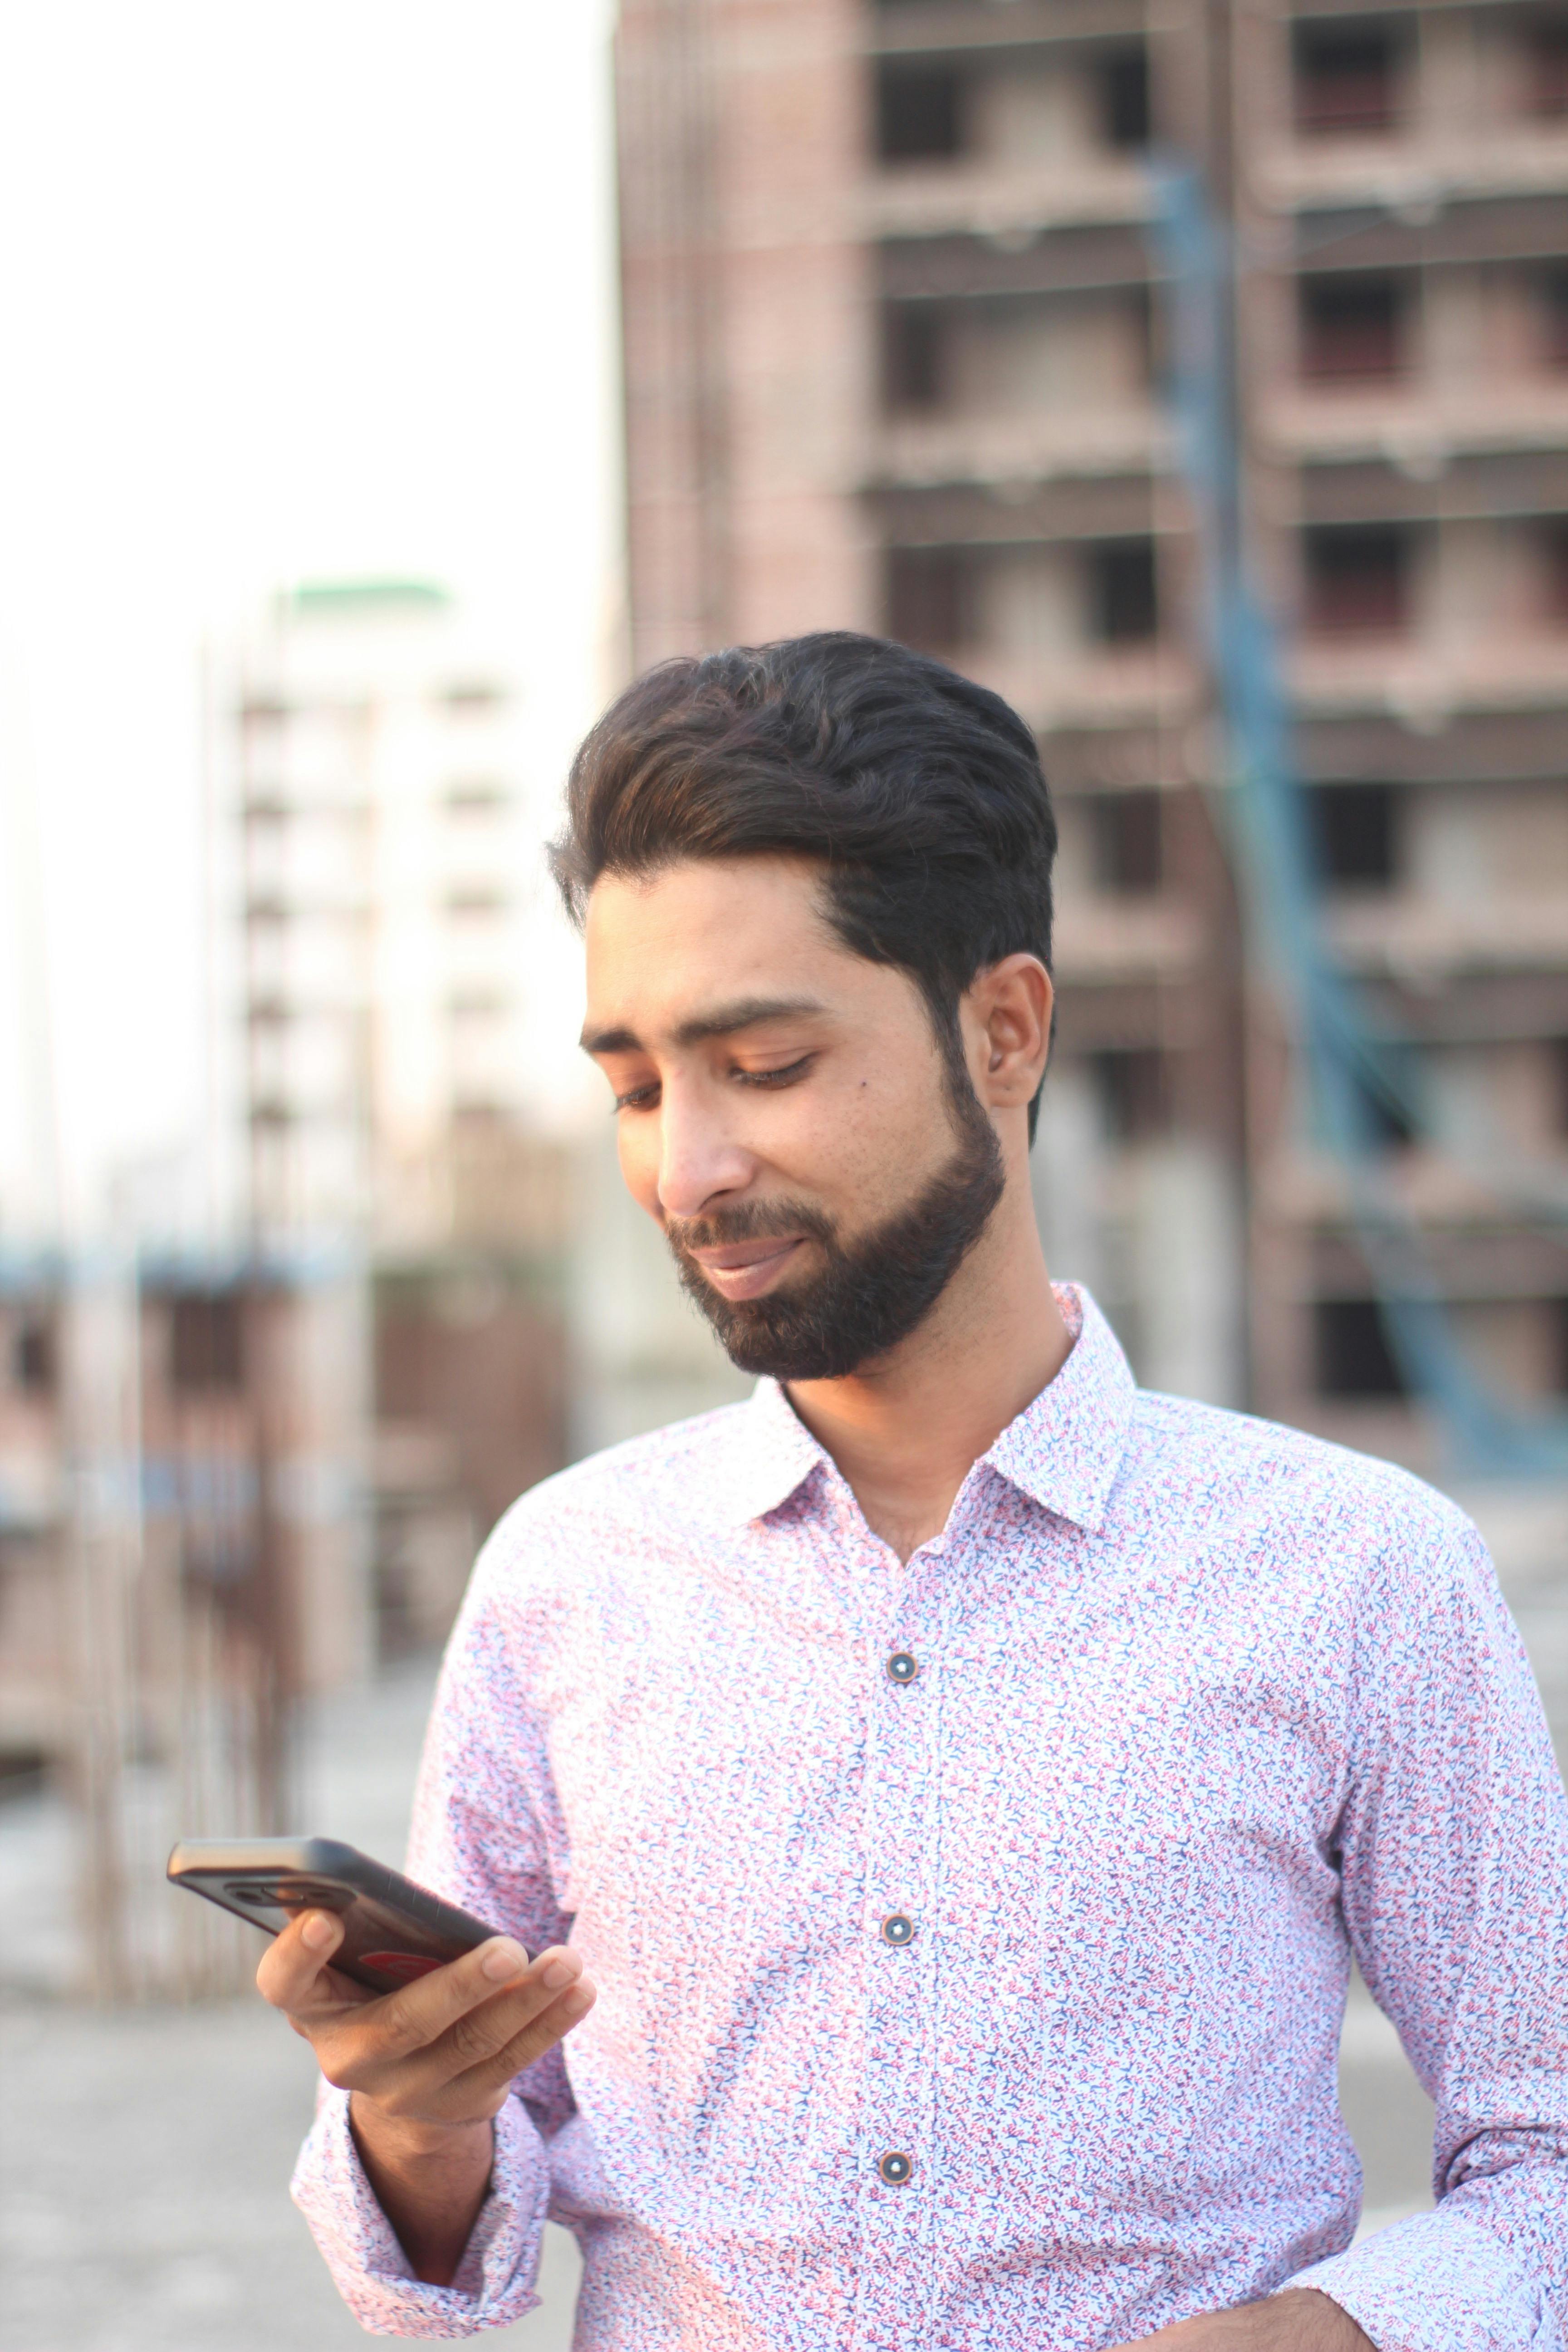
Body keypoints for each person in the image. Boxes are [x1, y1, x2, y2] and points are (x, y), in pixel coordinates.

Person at [263, 633, 1568, 2350]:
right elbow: (438, 2270)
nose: (691, 1166)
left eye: (769, 1066)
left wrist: (1324, 2330)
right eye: (637, 1087)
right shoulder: (568, 1581)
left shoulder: (1356, 1571)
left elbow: (1542, 2160)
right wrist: (412, 2120)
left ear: (1005, 1030)